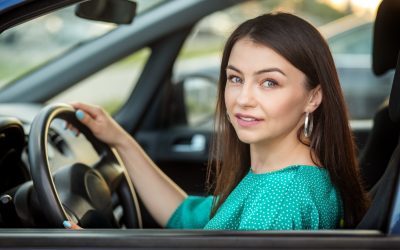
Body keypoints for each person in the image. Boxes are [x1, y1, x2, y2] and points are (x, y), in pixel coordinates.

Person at [65, 12, 370, 230]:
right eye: (235, 78)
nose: (243, 98)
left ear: (313, 97)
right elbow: (184, 215)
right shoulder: (279, 175)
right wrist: (119, 139)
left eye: (269, 83)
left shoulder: (280, 198)